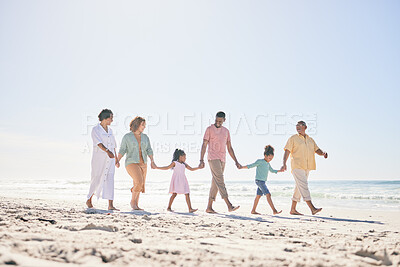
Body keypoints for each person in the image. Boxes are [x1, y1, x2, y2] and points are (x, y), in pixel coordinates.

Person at [282, 121, 328, 215]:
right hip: (297, 165)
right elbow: (287, 151)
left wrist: (323, 153)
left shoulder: (310, 140)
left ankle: (293, 209)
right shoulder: (293, 138)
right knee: (304, 186)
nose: (298, 127)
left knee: (299, 187)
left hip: (307, 166)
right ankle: (312, 208)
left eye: (300, 125)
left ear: (305, 127)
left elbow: (317, 150)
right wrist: (284, 163)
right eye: (296, 126)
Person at [199, 111, 241, 213]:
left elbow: (230, 148)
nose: (218, 123)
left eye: (220, 121)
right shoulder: (209, 129)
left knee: (215, 183)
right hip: (213, 158)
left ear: (224, 120)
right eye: (216, 120)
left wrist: (236, 161)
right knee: (220, 181)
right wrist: (201, 159)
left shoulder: (226, 131)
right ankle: (229, 205)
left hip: (223, 159)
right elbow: (204, 145)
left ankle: (209, 207)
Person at [117, 116, 155, 210]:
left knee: (140, 184)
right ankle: (132, 202)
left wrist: (152, 161)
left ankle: (136, 205)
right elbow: (122, 150)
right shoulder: (127, 137)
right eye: (143, 125)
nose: (144, 127)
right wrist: (117, 160)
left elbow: (149, 150)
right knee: (139, 181)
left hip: (143, 163)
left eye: (144, 125)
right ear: (137, 125)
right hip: (131, 162)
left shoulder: (145, 137)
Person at [86, 109, 119, 210]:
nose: (112, 120)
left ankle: (110, 205)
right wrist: (107, 151)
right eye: (111, 118)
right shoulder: (95, 129)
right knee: (96, 178)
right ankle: (89, 200)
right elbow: (98, 143)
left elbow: (114, 145)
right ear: (105, 118)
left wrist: (116, 158)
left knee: (110, 179)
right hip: (99, 158)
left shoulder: (110, 131)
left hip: (111, 159)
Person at [240, 145, 283, 215]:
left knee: (258, 196)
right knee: (268, 195)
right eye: (269, 158)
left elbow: (272, 170)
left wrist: (280, 171)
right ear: (265, 155)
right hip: (259, 181)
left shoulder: (268, 164)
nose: (270, 160)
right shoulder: (260, 161)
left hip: (262, 182)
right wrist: (242, 167)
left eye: (271, 159)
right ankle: (274, 210)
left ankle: (253, 210)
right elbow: (251, 165)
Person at [154, 149, 200, 213]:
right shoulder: (175, 163)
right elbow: (167, 167)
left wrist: (198, 167)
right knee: (174, 194)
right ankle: (169, 207)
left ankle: (190, 208)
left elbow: (191, 169)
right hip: (176, 180)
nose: (185, 158)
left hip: (183, 180)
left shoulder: (184, 164)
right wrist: (157, 167)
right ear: (180, 156)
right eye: (184, 157)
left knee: (187, 193)